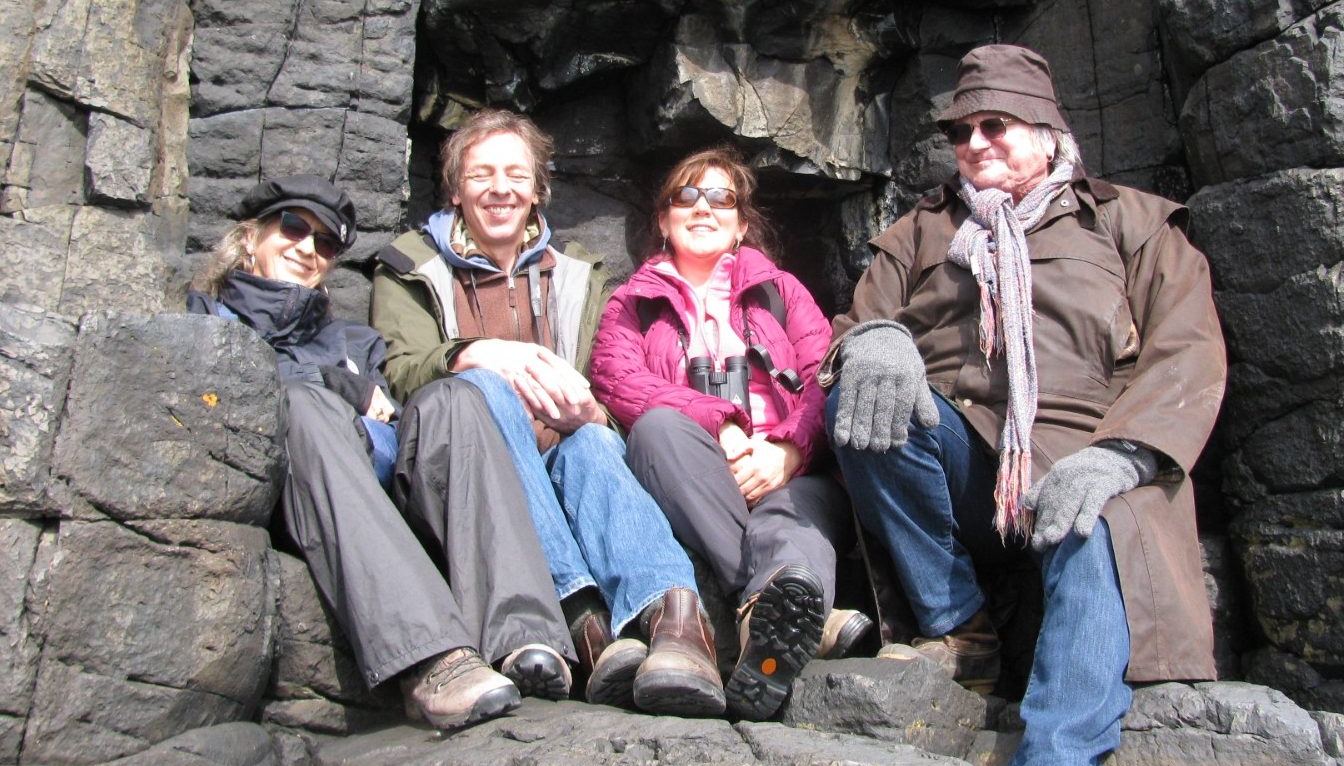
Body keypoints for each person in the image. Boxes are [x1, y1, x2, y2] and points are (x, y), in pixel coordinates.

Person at [821, 44, 1226, 766]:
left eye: (993, 125)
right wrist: (876, 341)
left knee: (1091, 517)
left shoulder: (1130, 223)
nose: (971, 144)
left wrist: (1122, 455)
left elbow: (1187, 351)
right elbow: (853, 329)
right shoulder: (920, 230)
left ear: (1045, 131)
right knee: (868, 391)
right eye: (958, 131)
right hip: (962, 462)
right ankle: (958, 624)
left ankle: (1057, 755)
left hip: (1088, 452)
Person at [370, 109, 727, 716]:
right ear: (455, 189)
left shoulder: (580, 272)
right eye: (481, 174)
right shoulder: (409, 266)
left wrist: (593, 414)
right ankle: (582, 618)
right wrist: (475, 354)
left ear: (539, 188)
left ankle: (677, 625)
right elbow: (400, 370)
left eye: (516, 173)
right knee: (484, 392)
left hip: (564, 455)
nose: (500, 188)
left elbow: (614, 380)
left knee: (590, 444)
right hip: (461, 468)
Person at [188, 175, 575, 731]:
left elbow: (393, 419)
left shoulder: (354, 341)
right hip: (301, 488)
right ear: (251, 237)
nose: (307, 248)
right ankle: (431, 659)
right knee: (303, 405)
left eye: (324, 243)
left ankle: (524, 635)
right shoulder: (205, 321)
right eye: (294, 228)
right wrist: (337, 389)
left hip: (379, 484)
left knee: (455, 398)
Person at [589, 147, 874, 720]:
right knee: (657, 428)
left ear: (743, 223)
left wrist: (789, 450)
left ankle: (763, 617)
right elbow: (617, 379)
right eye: (685, 196)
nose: (703, 208)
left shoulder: (782, 291)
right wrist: (719, 425)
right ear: (664, 220)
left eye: (722, 197)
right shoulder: (631, 303)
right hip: (693, 474)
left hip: (790, 472)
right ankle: (789, 614)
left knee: (789, 513)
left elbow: (828, 376)